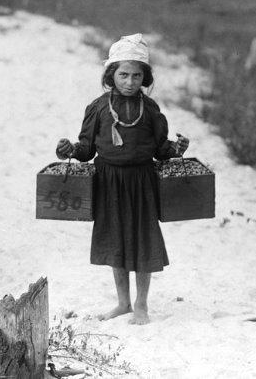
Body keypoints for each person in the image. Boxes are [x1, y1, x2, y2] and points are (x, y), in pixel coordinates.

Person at [56, 33, 189, 325]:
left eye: (136, 75)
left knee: (143, 242)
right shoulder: (99, 108)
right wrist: (68, 150)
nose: (130, 81)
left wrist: (176, 149)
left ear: (145, 77)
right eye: (124, 74)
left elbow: (160, 150)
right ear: (111, 75)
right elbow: (86, 150)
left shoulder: (151, 110)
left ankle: (141, 304)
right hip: (109, 182)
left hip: (142, 182)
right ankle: (123, 303)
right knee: (116, 242)